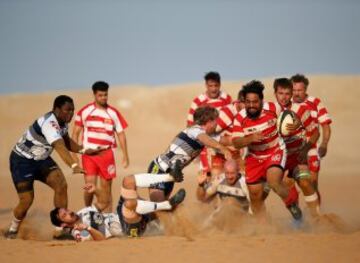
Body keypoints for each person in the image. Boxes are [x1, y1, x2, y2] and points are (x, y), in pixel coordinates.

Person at [6, 95, 98, 239]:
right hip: (22, 161)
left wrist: (83, 150)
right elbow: (59, 146)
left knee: (61, 185)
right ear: (56, 109)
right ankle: (13, 229)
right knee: (26, 201)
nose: (71, 114)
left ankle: (59, 230)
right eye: (67, 110)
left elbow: (66, 141)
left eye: (72, 110)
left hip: (41, 159)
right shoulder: (49, 123)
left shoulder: (63, 122)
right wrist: (73, 165)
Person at [231, 81, 302, 221]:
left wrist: (292, 126)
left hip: (275, 150)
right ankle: (263, 225)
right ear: (244, 101)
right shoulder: (240, 118)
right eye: (248, 102)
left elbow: (291, 119)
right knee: (255, 196)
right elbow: (236, 142)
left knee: (273, 181)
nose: (251, 106)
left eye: (255, 102)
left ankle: (291, 205)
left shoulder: (274, 108)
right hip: (254, 157)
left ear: (261, 100)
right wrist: (249, 138)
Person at [50, 171, 186, 240]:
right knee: (130, 204)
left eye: (66, 210)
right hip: (126, 229)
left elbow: (104, 202)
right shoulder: (78, 232)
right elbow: (100, 239)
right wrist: (89, 228)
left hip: (121, 214)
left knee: (127, 181)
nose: (69, 212)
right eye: (64, 215)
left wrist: (96, 190)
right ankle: (166, 205)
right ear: (63, 224)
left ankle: (170, 177)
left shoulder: (83, 212)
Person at [149, 106, 232, 202]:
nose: (217, 125)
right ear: (209, 122)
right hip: (160, 167)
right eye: (215, 122)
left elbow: (227, 140)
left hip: (172, 174)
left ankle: (166, 207)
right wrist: (223, 149)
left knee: (161, 207)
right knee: (159, 206)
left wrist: (247, 137)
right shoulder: (194, 130)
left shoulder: (206, 135)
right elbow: (207, 140)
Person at [72, 81, 130, 212]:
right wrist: (74, 155)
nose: (103, 98)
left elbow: (121, 134)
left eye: (105, 95)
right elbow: (75, 134)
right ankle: (87, 212)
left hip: (107, 154)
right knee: (89, 186)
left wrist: (126, 155)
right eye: (100, 95)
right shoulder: (85, 111)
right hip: (89, 154)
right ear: (94, 95)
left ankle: (107, 216)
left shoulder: (113, 113)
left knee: (106, 188)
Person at [272, 78, 320, 217]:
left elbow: (316, 132)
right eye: (281, 93)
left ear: (292, 93)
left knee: (305, 183)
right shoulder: (270, 111)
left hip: (297, 156)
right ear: (275, 93)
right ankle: (297, 216)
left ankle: (316, 217)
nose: (284, 97)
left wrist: (305, 150)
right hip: (279, 157)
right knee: (285, 186)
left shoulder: (300, 110)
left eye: (287, 93)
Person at [291, 74, 332, 203]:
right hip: (292, 150)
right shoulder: (288, 104)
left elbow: (325, 126)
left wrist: (324, 144)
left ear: (305, 89)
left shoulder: (315, 103)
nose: (296, 93)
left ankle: (317, 215)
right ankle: (297, 215)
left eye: (299, 90)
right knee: (291, 184)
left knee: (313, 184)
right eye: (294, 90)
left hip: (312, 149)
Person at [186, 72, 232, 177]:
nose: (213, 89)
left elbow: (231, 119)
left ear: (220, 85)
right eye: (211, 86)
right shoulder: (198, 101)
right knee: (206, 178)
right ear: (206, 85)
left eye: (216, 85)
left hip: (222, 141)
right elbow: (190, 125)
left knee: (225, 177)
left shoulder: (226, 98)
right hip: (205, 145)